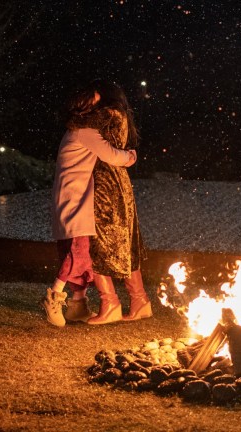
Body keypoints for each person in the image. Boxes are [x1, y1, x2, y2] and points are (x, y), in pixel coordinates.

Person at [43, 87, 137, 327]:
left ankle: (78, 304)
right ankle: (55, 296)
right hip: (75, 199)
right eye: (95, 105)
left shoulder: (73, 130)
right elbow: (111, 156)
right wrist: (130, 157)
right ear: (85, 109)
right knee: (79, 251)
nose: (99, 109)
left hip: (69, 196)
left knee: (77, 251)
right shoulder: (84, 131)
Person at [67, 80, 151, 325]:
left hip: (104, 182)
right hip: (120, 181)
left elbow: (98, 145)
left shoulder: (102, 117)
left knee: (99, 242)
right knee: (124, 242)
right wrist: (129, 156)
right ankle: (140, 300)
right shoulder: (122, 116)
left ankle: (110, 304)